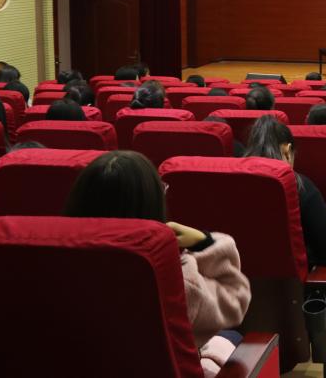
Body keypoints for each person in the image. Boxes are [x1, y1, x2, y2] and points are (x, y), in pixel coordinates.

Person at [63, 150, 250, 377]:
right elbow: (236, 298)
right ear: (150, 206)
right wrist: (205, 242)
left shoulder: (53, 272)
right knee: (234, 337)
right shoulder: (173, 281)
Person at [245, 116, 326, 353]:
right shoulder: (299, 187)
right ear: (287, 150)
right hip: (293, 286)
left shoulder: (231, 180)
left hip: (241, 285)